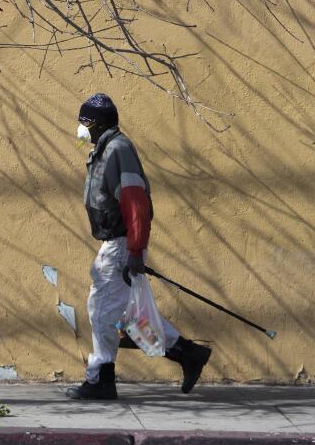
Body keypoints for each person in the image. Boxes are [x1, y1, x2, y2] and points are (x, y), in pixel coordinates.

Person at [65, 93, 212, 401]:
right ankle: (187, 354)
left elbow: (136, 204)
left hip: (121, 245)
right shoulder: (105, 149)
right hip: (117, 243)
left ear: (99, 123)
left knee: (102, 311)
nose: (81, 128)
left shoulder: (118, 150)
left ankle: (102, 379)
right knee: (126, 317)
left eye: (85, 121)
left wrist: (134, 250)